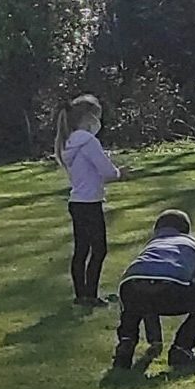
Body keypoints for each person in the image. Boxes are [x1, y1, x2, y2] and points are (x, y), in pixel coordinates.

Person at [113, 209, 195, 370]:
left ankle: (126, 344)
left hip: (130, 284)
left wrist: (155, 341)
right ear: (186, 230)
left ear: (157, 230)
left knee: (134, 306)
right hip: (169, 288)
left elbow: (149, 293)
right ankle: (182, 348)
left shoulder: (152, 243)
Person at [55, 94, 129, 307]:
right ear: (88, 118)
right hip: (90, 203)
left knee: (81, 250)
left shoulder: (69, 142)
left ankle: (81, 295)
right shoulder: (88, 141)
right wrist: (119, 173)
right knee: (99, 250)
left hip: (77, 202)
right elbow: (105, 170)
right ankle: (91, 294)